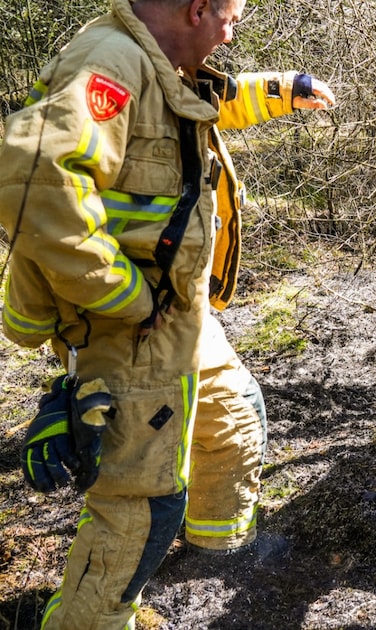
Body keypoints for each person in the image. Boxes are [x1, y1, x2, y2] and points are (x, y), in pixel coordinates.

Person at [0, 0, 335, 626]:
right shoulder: (108, 63)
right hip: (129, 326)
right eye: (231, 16)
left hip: (174, 312)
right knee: (138, 512)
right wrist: (123, 294)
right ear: (197, 9)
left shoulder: (156, 61)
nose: (235, 31)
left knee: (235, 414)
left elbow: (205, 106)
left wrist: (285, 89)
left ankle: (215, 563)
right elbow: (30, 177)